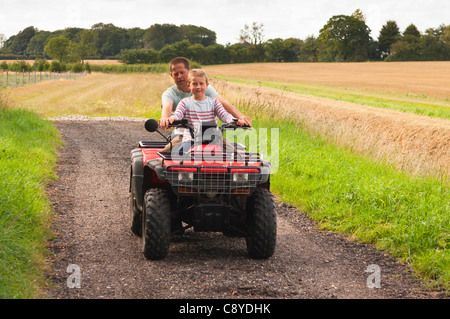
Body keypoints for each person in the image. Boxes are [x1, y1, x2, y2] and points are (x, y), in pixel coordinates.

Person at [159, 57, 251, 151]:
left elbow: (224, 113)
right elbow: (172, 110)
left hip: (212, 138)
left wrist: (238, 119)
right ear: (189, 85)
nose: (179, 76)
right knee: (166, 154)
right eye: (176, 74)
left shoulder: (213, 102)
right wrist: (168, 119)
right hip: (187, 137)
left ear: (207, 85)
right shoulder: (181, 101)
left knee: (235, 155)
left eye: (182, 72)